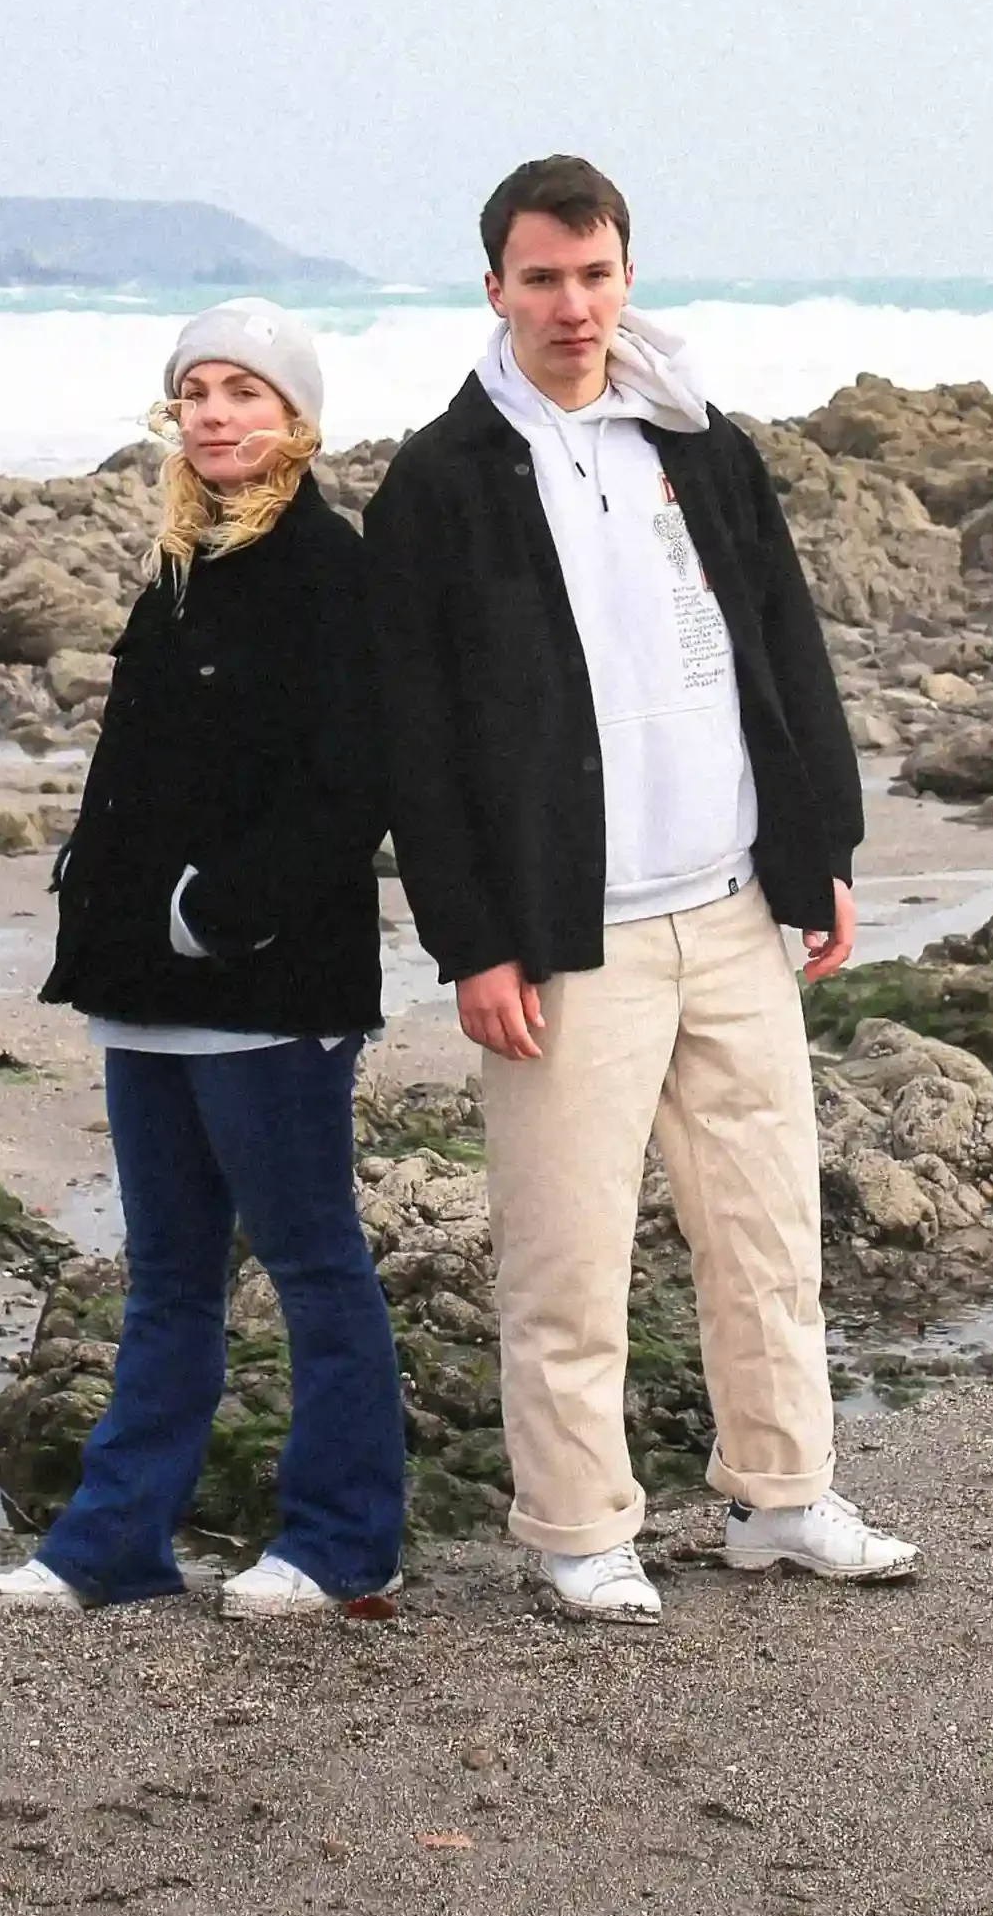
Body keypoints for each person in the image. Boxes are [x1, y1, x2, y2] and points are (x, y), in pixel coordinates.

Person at [362, 157, 918, 1623]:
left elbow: (782, 653)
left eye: (595, 273)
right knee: (568, 1248)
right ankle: (574, 1525)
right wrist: (473, 941)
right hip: (566, 936)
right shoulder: (442, 479)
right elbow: (414, 740)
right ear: (494, 287)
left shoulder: (701, 444)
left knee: (765, 1225)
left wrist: (821, 857)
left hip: (731, 907)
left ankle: (782, 1495)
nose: (571, 303)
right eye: (540, 277)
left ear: (627, 277)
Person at [0, 300, 406, 1619]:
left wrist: (218, 912)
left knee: (315, 1267)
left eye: (247, 391)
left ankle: (345, 1539)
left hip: (267, 994)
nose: (218, 412)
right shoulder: (179, 568)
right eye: (198, 390)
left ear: (297, 418)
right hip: (145, 995)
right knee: (165, 1280)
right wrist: (105, 912)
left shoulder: (329, 571)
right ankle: (115, 1540)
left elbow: (355, 780)